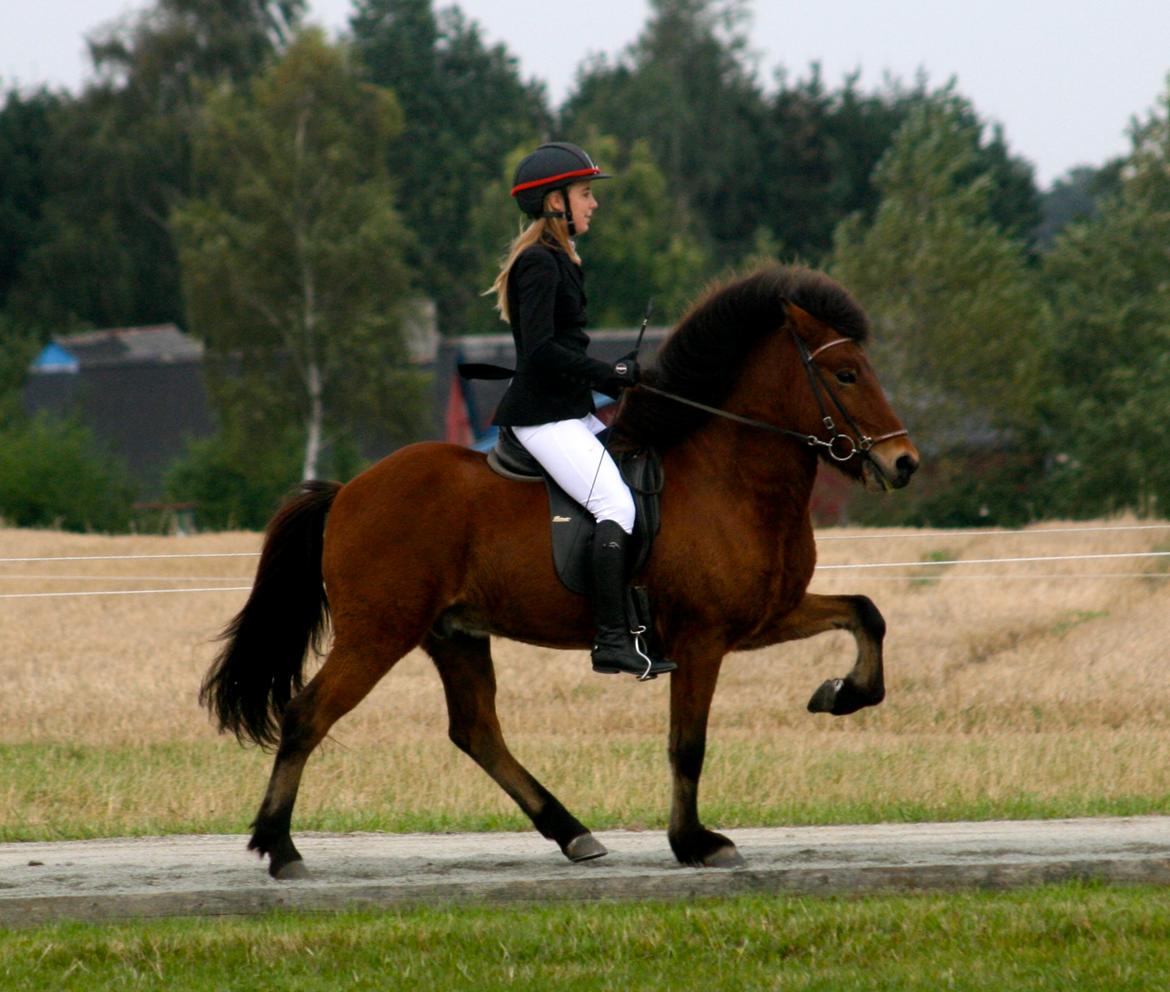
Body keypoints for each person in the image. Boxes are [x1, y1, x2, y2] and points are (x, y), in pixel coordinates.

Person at [486, 141, 675, 681]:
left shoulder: (558, 258)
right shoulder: (540, 264)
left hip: (566, 409)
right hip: (543, 416)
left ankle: (636, 624)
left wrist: (617, 382)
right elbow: (543, 352)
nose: (593, 204)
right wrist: (609, 376)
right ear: (555, 202)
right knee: (616, 503)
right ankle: (611, 641)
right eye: (586, 193)